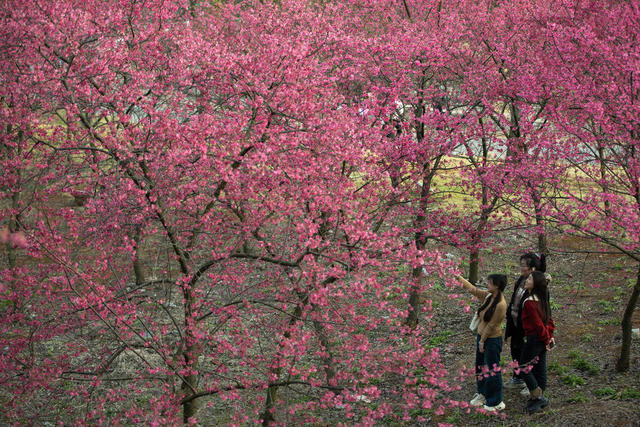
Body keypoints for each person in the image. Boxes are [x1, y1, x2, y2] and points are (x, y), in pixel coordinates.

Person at [457, 274, 508, 412]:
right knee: (480, 366)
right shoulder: (489, 296)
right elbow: (474, 290)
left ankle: (495, 400)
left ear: (497, 286)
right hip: (482, 337)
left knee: (492, 369)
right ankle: (483, 393)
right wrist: (458, 278)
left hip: (491, 339)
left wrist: (482, 341)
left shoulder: (501, 304)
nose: (487, 284)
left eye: (490, 282)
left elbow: (492, 325)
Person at [504, 252, 546, 396]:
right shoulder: (521, 280)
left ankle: (532, 384)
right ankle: (518, 378)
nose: (521, 268)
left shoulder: (538, 286)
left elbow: (543, 311)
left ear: (533, 268)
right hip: (516, 323)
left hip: (527, 327)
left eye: (524, 265)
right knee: (515, 350)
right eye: (521, 264)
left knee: (527, 356)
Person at [520, 270, 555, 414]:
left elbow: (537, 324)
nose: (527, 280)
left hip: (535, 338)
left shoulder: (530, 302)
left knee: (523, 366)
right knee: (540, 366)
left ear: (536, 283)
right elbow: (549, 320)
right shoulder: (542, 299)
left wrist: (546, 339)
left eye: (530, 278)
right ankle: (539, 397)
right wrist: (549, 336)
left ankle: (536, 394)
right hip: (542, 337)